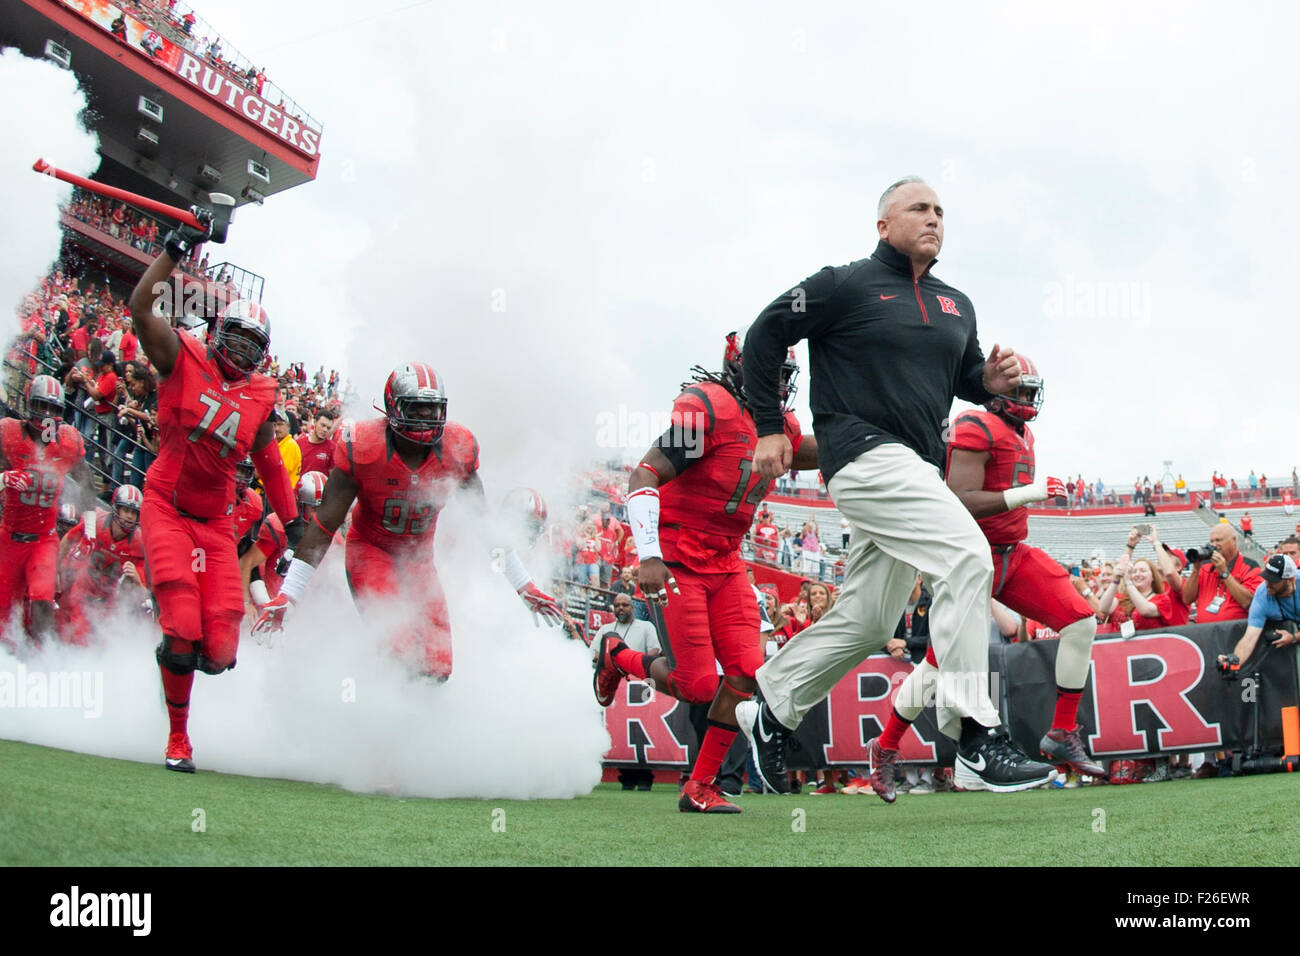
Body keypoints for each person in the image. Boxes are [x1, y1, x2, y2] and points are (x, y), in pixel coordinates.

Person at [735, 176, 1056, 794]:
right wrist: (770, 427)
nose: (934, 218)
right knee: (965, 555)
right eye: (919, 208)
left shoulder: (957, 304)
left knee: (866, 617)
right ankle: (972, 734)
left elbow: (961, 379)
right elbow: (765, 333)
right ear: (883, 225)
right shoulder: (844, 284)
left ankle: (771, 706)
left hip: (915, 469)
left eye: (940, 211)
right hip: (860, 455)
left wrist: (986, 380)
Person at [864, 355, 1101, 802]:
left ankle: (1062, 731)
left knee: (1082, 621)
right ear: (997, 391)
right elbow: (959, 499)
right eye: (1022, 392)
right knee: (937, 667)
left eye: (1033, 393)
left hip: (1012, 554)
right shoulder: (974, 424)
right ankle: (887, 747)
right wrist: (1028, 494)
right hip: (968, 559)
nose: (1028, 402)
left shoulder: (1023, 432)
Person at [594, 334, 813, 812]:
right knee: (696, 686)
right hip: (676, 558)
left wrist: (873, 437)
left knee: (746, 675)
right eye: (769, 373)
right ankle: (618, 655)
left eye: (784, 376)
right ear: (741, 370)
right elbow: (644, 475)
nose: (777, 384)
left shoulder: (781, 426)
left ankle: (700, 786)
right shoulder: (710, 409)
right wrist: (648, 554)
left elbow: (809, 450)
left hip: (727, 562)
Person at [128, 212, 304, 774]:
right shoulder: (182, 358)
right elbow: (140, 310)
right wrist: (174, 252)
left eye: (255, 346)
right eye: (237, 338)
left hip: (216, 522)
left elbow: (271, 465)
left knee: (223, 650)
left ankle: (176, 667)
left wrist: (293, 521)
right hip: (167, 507)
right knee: (181, 625)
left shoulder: (260, 397)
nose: (244, 353)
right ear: (215, 332)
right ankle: (178, 739)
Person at [251, 363, 565, 676]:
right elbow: (323, 527)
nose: (425, 420)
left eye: (432, 410)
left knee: (438, 670)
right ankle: (359, 704)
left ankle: (408, 721)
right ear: (392, 408)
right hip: (371, 551)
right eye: (417, 409)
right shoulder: (364, 446)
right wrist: (288, 595)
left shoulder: (458, 449)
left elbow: (485, 525)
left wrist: (524, 585)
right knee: (399, 656)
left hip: (419, 561)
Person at [0, 376, 90, 643]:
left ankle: (47, 660)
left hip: (44, 538)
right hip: (10, 537)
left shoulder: (68, 442)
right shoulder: (9, 434)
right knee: (4, 612)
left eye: (54, 410)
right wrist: (4, 479)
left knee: (42, 598)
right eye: (42, 406)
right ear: (29, 405)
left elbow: (87, 486)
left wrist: (91, 529)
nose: (48, 416)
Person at [55, 484, 146, 645]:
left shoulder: (138, 542)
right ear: (116, 507)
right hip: (82, 589)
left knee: (106, 645)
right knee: (79, 638)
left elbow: (144, 591)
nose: (130, 516)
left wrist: (137, 579)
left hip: (107, 599)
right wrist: (57, 570)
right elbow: (69, 539)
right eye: (126, 510)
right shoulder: (95, 521)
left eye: (134, 512)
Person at [1218, 554, 1300, 666]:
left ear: (1290, 580)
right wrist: (1233, 662)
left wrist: (1294, 637)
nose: (1268, 584)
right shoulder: (1262, 594)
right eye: (1267, 578)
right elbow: (1250, 638)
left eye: (1274, 581)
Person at [1180, 523, 1262, 624]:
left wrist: (1224, 572)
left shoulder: (1250, 567)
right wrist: (1196, 569)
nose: (1214, 545)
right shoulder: (1205, 566)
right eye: (1212, 541)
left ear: (1233, 540)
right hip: (1205, 632)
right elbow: (1187, 599)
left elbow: (1247, 602)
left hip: (1235, 632)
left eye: (1218, 540)